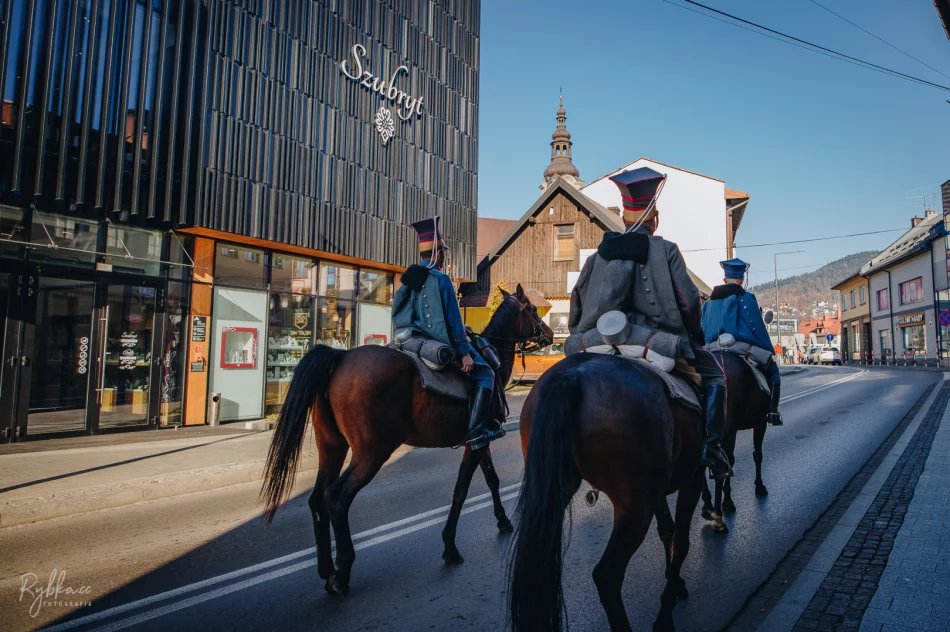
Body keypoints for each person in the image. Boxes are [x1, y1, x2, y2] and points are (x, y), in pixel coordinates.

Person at [567, 167, 733, 479]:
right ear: (653, 217)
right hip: (658, 342)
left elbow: (576, 305)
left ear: (625, 216)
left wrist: (581, 332)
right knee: (716, 378)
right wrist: (694, 335)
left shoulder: (596, 257)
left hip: (598, 341)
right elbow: (688, 302)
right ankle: (711, 448)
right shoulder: (666, 250)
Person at [391, 216, 501, 450]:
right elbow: (448, 320)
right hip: (433, 342)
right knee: (486, 375)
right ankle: (476, 433)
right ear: (437, 252)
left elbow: (403, 313)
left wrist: (462, 327)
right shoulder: (440, 279)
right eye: (443, 251)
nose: (444, 255)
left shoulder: (409, 276)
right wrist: (464, 352)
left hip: (407, 340)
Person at [701, 258, 783, 426]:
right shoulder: (747, 298)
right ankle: (773, 412)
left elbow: (702, 328)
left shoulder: (709, 302)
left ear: (725, 279)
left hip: (710, 348)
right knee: (773, 370)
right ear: (742, 280)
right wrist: (767, 349)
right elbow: (757, 328)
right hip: (740, 346)